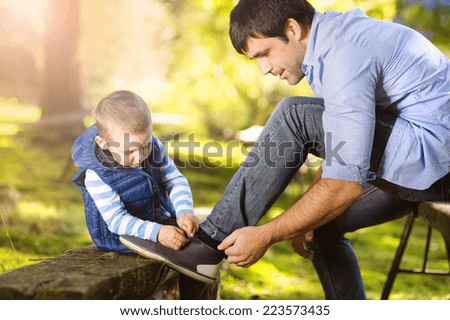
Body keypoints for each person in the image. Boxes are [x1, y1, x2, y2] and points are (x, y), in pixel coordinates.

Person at [119, 0, 449, 299]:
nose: (264, 69)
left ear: (292, 29)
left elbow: (345, 183)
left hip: (435, 160)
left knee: (293, 115)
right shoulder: (330, 45)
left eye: (265, 53)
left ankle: (207, 246)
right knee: (320, 227)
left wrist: (266, 234)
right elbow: (346, 146)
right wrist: (307, 217)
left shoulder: (344, 53)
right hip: (426, 162)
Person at [72, 90, 218, 299]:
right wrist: (159, 233)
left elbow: (174, 180)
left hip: (155, 221)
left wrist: (184, 211)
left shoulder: (153, 147)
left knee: (202, 245)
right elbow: (116, 221)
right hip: (120, 238)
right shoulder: (96, 174)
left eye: (145, 146)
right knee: (189, 255)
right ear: (103, 143)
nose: (139, 157)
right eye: (128, 152)